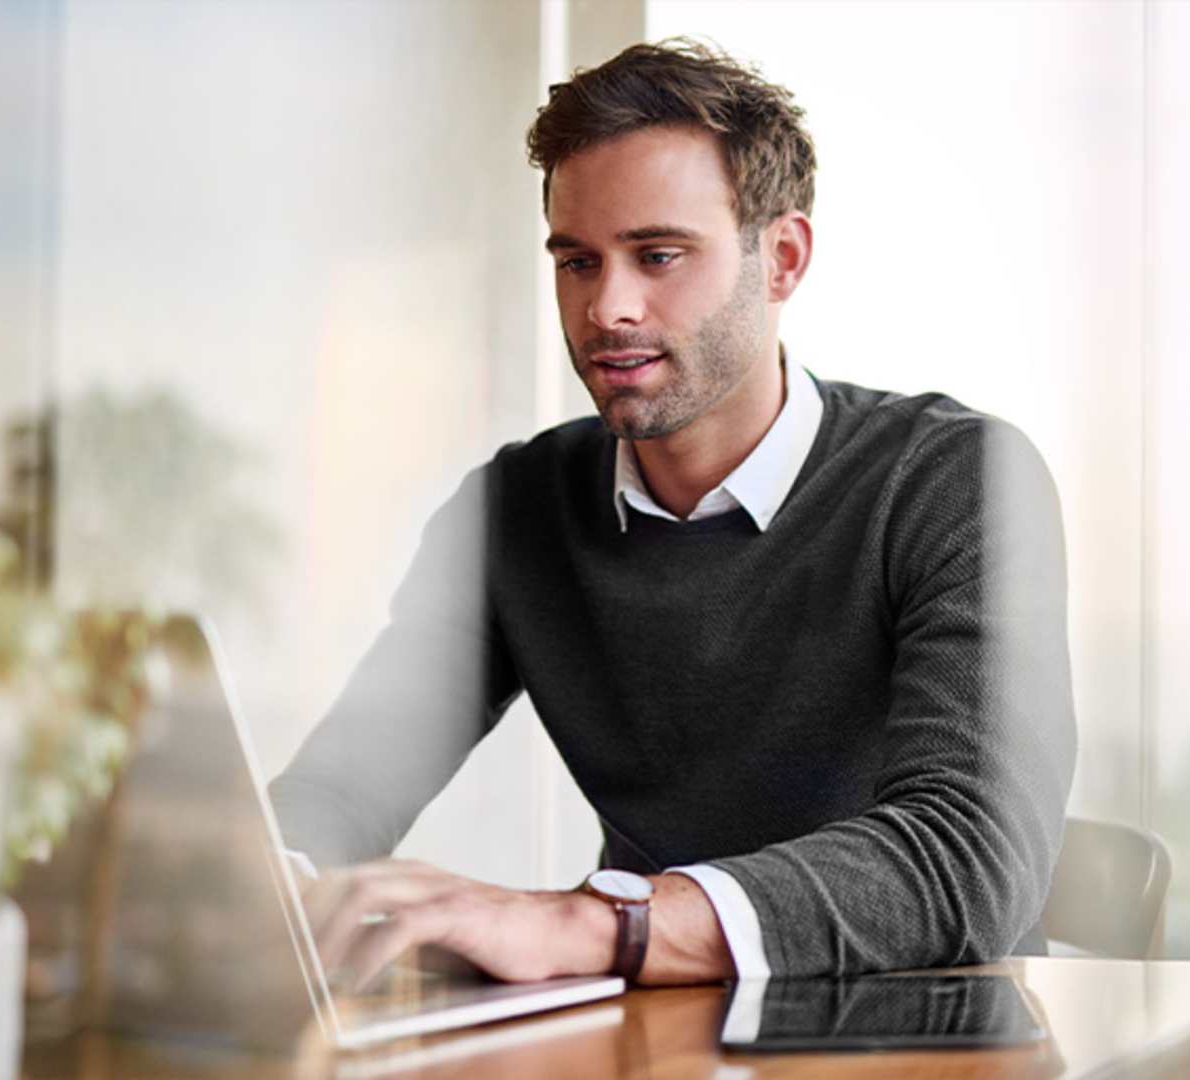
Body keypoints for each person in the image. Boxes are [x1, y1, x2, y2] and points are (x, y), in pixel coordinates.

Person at [268, 39, 1075, 989]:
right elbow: (340, 791)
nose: (608, 307)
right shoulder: (515, 510)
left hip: (917, 1036)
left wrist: (596, 924)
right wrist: (265, 886)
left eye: (658, 255)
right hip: (652, 1032)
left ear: (781, 258)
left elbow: (968, 858)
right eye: (577, 261)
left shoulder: (954, 479)